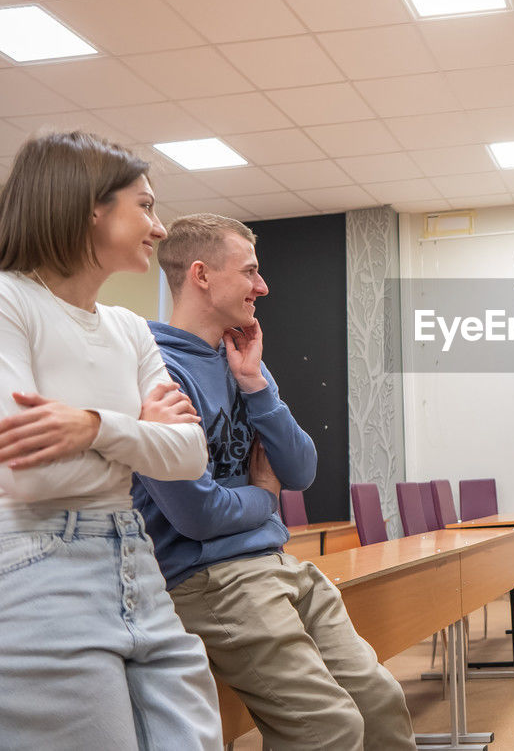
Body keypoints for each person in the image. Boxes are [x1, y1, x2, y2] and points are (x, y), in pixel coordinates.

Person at [0, 131, 221, 748]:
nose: (159, 227)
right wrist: (142, 437)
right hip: (25, 572)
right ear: (90, 205)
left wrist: (92, 426)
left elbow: (190, 457)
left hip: (133, 563)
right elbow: (30, 476)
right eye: (144, 205)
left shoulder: (127, 328)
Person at [133, 213, 416, 751]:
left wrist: (256, 385)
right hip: (210, 580)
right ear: (202, 275)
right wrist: (264, 496)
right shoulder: (155, 369)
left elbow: (302, 471)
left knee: (379, 701)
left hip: (275, 563)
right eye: (250, 272)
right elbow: (196, 514)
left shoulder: (239, 357)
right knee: (329, 728)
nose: (262, 287)